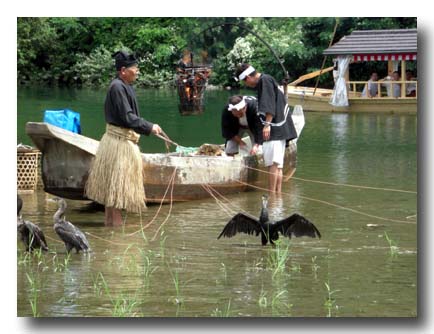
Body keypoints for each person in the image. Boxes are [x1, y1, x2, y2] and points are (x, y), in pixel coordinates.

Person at [85, 51, 163, 226]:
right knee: (116, 195)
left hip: (119, 142)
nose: (137, 71)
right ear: (123, 70)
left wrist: (148, 127)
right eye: (134, 68)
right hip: (117, 144)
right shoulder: (117, 87)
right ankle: (118, 239)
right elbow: (128, 118)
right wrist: (149, 127)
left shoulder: (124, 86)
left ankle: (110, 230)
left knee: (113, 194)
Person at [235, 63, 297, 193]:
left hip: (274, 128)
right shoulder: (266, 80)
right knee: (278, 165)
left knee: (273, 165)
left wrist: (267, 125)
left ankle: (272, 194)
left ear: (248, 77)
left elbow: (269, 104)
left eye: (245, 82)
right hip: (280, 129)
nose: (247, 85)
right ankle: (277, 194)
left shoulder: (264, 80)